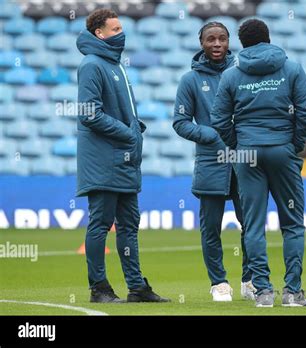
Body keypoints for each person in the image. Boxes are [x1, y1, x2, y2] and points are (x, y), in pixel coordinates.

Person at [211, 19, 306, 307]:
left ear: (241, 44)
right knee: (292, 224)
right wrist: (294, 144)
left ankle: (264, 293)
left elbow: (219, 119)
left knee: (253, 225)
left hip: (248, 153)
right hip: (283, 150)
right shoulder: (292, 68)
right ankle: (293, 292)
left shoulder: (231, 75)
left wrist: (239, 143)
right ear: (268, 39)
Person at [76, 9, 170, 303]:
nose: (122, 34)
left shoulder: (115, 65)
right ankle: (99, 288)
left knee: (129, 226)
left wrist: (134, 128)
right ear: (99, 34)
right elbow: (90, 114)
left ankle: (136, 287)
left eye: (121, 28)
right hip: (103, 160)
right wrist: (129, 133)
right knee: (100, 223)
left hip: (125, 161)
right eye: (115, 30)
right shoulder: (92, 65)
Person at [173, 22, 255, 302]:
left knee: (251, 225)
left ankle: (250, 280)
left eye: (222, 38)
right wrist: (210, 134)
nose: (217, 44)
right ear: (202, 42)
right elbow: (180, 122)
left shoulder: (243, 73)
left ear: (229, 41)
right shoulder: (190, 80)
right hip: (210, 162)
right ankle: (219, 283)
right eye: (211, 39)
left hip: (244, 160)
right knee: (211, 228)